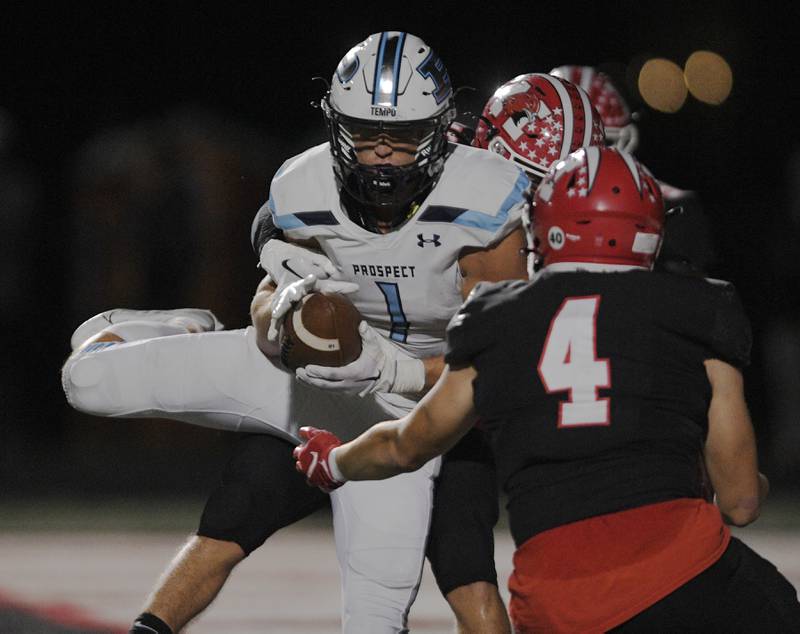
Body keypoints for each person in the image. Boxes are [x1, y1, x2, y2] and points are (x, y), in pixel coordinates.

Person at [63, 32, 530, 634]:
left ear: (440, 130)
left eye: (405, 135)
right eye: (365, 133)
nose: (383, 152)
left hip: (405, 404)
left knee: (376, 617)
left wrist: (395, 369)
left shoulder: (486, 198)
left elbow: (495, 357)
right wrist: (281, 300)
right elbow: (268, 318)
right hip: (298, 373)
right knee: (86, 381)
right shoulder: (304, 185)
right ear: (338, 127)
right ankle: (180, 327)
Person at [295, 146, 800, 632]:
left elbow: (406, 444)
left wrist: (334, 462)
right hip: (681, 572)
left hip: (554, 601)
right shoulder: (698, 311)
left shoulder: (494, 316)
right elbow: (740, 504)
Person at [550, 64, 718, 276]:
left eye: (596, 146)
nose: (579, 163)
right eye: (569, 151)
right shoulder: (511, 203)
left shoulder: (673, 209)